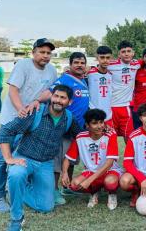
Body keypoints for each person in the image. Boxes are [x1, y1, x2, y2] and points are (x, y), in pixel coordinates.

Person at [0, 85, 82, 231]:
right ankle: (16, 218)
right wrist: (9, 158)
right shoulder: (35, 112)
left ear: (69, 102)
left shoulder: (68, 118)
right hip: (25, 158)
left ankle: (17, 188)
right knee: (17, 174)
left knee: (46, 207)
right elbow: (6, 131)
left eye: (63, 98)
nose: (58, 100)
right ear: (51, 96)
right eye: (56, 96)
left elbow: (81, 136)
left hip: (45, 164)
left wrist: (103, 130)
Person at [0, 38, 58, 213]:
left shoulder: (51, 70)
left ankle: (19, 187)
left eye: (48, 53)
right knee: (3, 158)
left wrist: (37, 102)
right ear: (33, 52)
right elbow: (13, 90)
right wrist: (22, 109)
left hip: (33, 123)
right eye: (42, 52)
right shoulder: (23, 66)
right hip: (13, 118)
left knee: (25, 156)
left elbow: (49, 92)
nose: (45, 56)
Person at [62, 108, 123, 210]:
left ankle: (112, 194)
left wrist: (89, 180)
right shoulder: (80, 137)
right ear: (87, 125)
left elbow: (109, 163)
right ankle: (94, 192)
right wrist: (64, 173)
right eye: (95, 123)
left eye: (101, 122)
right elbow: (67, 159)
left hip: (110, 171)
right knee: (74, 185)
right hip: (90, 171)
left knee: (110, 183)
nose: (100, 126)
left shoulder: (110, 135)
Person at [51, 52, 89, 204]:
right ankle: (53, 190)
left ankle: (67, 186)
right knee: (59, 160)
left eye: (82, 62)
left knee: (72, 158)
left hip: (78, 128)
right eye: (76, 62)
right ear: (70, 64)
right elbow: (52, 95)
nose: (79, 65)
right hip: (65, 126)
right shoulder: (64, 79)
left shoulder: (84, 80)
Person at [107, 41, 142, 140]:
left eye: (128, 51)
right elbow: (97, 68)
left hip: (125, 106)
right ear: (119, 54)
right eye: (123, 51)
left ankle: (130, 155)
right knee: (110, 137)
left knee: (129, 137)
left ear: (133, 53)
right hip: (111, 106)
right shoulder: (111, 64)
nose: (126, 53)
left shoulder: (136, 64)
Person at [88, 46, 114, 127]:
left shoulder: (111, 74)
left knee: (110, 138)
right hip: (94, 114)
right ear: (97, 58)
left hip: (108, 116)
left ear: (111, 58)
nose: (105, 60)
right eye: (102, 57)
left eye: (108, 57)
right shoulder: (89, 73)